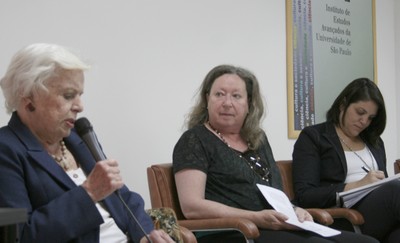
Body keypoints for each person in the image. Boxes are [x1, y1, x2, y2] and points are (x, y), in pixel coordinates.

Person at [172, 65, 378, 243]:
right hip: (233, 233)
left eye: (236, 96)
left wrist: (295, 210)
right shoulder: (194, 140)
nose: (227, 103)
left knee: (367, 242)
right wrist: (255, 217)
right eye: (219, 94)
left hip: (274, 227)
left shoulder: (257, 138)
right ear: (207, 99)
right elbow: (192, 206)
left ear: (248, 103)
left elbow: (277, 193)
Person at [0, 43, 174, 243]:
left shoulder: (77, 137)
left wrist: (145, 234)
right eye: (68, 96)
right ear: (28, 97)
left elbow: (123, 196)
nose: (80, 106)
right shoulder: (5, 149)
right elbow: (16, 237)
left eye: (80, 95)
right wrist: (89, 193)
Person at [292, 78, 400, 242]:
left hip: (380, 212)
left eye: (371, 117)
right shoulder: (314, 137)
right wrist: (356, 186)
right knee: (395, 191)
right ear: (343, 104)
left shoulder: (375, 142)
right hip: (343, 217)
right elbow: (305, 195)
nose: (364, 121)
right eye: (360, 112)